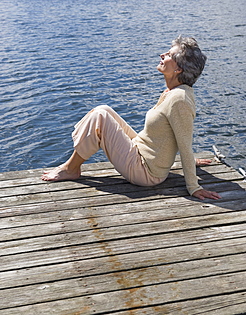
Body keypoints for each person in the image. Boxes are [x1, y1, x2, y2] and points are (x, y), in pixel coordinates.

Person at [42, 36, 221, 201]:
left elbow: (184, 142)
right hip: (141, 151)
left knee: (100, 117)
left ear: (178, 68)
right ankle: (71, 165)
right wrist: (192, 161)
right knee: (104, 110)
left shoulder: (179, 99)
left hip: (146, 172)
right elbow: (169, 136)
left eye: (168, 54)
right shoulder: (173, 92)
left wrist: (193, 187)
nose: (162, 55)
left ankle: (71, 169)